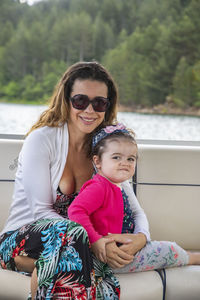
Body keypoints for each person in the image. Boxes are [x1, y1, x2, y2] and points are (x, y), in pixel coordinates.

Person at [0, 61, 149, 300]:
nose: (89, 110)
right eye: (80, 100)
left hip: (75, 246)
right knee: (76, 233)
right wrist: (97, 241)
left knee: (71, 252)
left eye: (99, 102)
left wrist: (141, 238)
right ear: (66, 100)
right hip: (20, 240)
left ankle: (38, 266)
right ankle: (28, 260)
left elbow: (136, 211)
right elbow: (40, 211)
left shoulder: (107, 150)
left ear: (107, 106)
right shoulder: (42, 140)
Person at [69, 123, 200, 276]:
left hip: (121, 248)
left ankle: (189, 256)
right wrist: (95, 241)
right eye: (116, 157)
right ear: (97, 162)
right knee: (168, 250)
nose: (125, 163)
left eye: (131, 159)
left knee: (161, 247)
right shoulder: (99, 187)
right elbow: (76, 211)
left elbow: (136, 214)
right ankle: (193, 258)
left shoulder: (116, 185)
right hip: (108, 257)